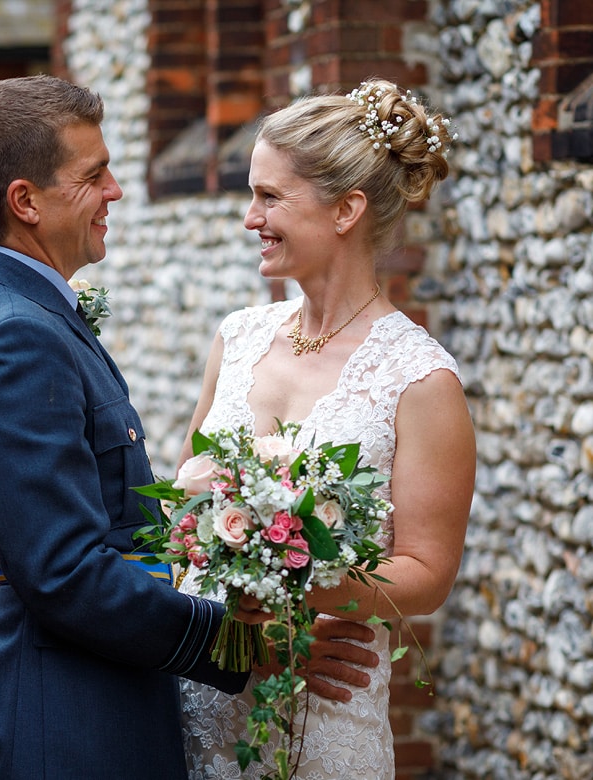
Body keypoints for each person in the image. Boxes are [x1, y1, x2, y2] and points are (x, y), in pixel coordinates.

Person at [0, 74, 266, 779]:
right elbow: (68, 573)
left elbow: (56, 536)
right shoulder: (19, 337)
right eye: (94, 174)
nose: (115, 191)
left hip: (88, 677)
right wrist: (241, 645)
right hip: (69, 718)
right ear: (26, 201)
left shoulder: (2, 310)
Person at [175, 78, 476, 779]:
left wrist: (292, 596)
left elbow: (427, 573)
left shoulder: (420, 381)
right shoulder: (238, 337)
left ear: (346, 209)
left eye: (270, 197)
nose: (250, 217)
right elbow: (186, 502)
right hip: (200, 687)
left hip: (319, 709)